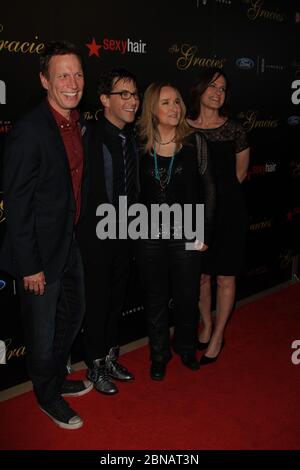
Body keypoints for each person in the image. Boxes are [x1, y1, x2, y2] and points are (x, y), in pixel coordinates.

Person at [0, 41, 92, 430]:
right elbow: (17, 206)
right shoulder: (29, 131)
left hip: (67, 243)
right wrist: (30, 266)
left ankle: (53, 377)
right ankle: (46, 396)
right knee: (42, 331)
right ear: (44, 80)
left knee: (74, 313)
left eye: (77, 74)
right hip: (37, 254)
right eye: (62, 75)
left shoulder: (74, 122)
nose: (72, 83)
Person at [136, 82, 216, 380]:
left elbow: (209, 190)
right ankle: (159, 354)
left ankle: (185, 347)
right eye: (166, 103)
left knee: (186, 295)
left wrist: (205, 232)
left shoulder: (195, 142)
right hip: (148, 235)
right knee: (155, 297)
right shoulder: (139, 141)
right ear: (152, 109)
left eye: (178, 102)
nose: (175, 108)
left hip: (187, 231)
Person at [78, 68, 140, 394]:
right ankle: (95, 365)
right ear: (105, 99)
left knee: (117, 299)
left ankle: (111, 356)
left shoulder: (129, 137)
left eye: (135, 95)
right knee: (98, 301)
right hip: (96, 235)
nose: (132, 101)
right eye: (124, 95)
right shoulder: (89, 135)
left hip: (125, 232)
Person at [186, 67, 250, 365]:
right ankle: (206, 323)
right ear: (200, 89)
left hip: (229, 213)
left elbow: (239, 174)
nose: (217, 92)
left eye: (223, 88)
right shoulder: (183, 127)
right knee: (200, 277)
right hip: (195, 214)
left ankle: (218, 334)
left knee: (225, 278)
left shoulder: (235, 129)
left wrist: (220, 203)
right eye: (212, 86)